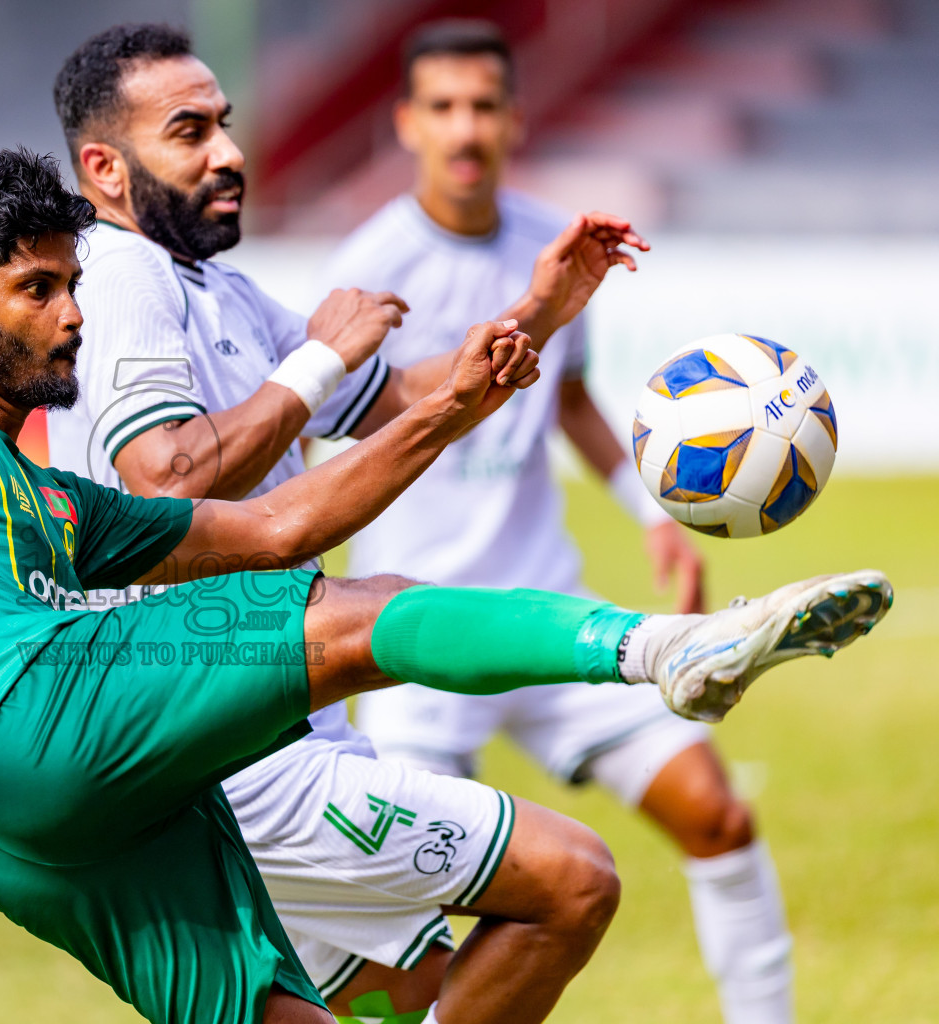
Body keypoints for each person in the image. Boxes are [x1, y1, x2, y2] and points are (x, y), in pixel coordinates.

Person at [0, 148, 890, 1024]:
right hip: (24, 722)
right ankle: (657, 652)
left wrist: (463, 403)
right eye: (37, 292)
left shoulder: (54, 500)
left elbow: (275, 526)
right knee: (358, 612)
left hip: (25, 836)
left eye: (72, 284)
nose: (72, 315)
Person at [46, 23, 657, 1022]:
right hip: (225, 736)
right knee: (572, 883)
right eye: (189, 131)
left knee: (406, 983)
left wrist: (541, 309)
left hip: (256, 721)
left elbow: (395, 397)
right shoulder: (122, 276)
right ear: (105, 169)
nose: (229, 152)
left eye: (225, 126)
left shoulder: (216, 286)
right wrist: (316, 362)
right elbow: (164, 479)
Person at [327, 21, 797, 1024]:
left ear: (514, 119)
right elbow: (345, 432)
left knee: (717, 816)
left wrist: (650, 510)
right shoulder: (371, 272)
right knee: (407, 924)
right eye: (444, 107)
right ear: (407, 123)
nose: (466, 128)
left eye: (484, 106)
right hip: (416, 636)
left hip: (549, 606)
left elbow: (570, 401)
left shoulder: (554, 243)